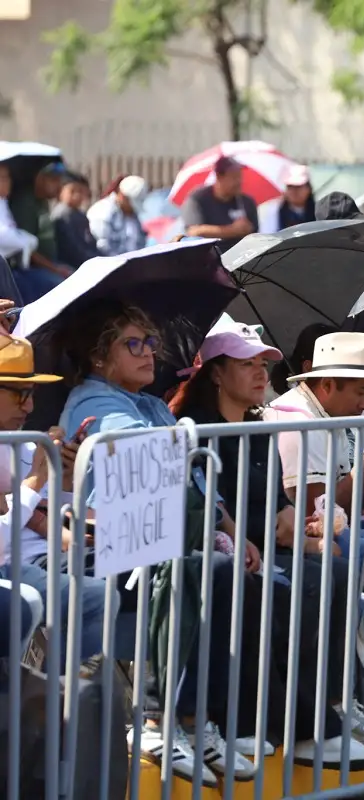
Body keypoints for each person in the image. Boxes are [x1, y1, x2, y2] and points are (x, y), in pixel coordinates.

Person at [56, 301, 266, 783]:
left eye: (151, 342)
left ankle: (196, 722)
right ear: (98, 355)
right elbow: (146, 457)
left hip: (159, 541)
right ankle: (157, 720)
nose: (149, 353)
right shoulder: (93, 400)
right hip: (107, 550)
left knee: (229, 570)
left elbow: (192, 479)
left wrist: (232, 530)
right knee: (206, 569)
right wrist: (187, 443)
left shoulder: (148, 402)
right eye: (133, 343)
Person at [168, 319, 364, 762]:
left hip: (266, 547)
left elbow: (282, 508)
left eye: (264, 362)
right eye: (248, 364)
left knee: (336, 571)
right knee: (297, 588)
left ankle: (329, 708)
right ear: (217, 373)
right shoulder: (195, 429)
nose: (262, 372)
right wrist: (282, 534)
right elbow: (218, 508)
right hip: (227, 554)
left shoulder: (259, 429)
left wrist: (305, 532)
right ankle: (292, 723)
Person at [0, 333, 107, 665]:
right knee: (96, 596)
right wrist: (34, 481)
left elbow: (58, 508)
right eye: (20, 394)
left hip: (45, 557)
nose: (30, 407)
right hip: (17, 566)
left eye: (32, 394)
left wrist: (67, 475)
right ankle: (53, 696)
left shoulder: (24, 443)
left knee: (160, 566)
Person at [266, 332, 364, 561]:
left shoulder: (329, 414)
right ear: (327, 384)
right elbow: (317, 518)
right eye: (362, 392)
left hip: (327, 539)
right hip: (298, 550)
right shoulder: (300, 424)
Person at [8, 161, 71, 300]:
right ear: (39, 178)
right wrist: (55, 269)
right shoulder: (25, 204)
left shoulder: (43, 201)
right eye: (53, 180)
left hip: (50, 265)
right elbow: (29, 251)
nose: (59, 185)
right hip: (29, 270)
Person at [180, 156, 258, 252]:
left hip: (241, 257)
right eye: (234, 177)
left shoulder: (246, 202)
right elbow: (193, 231)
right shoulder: (198, 199)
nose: (239, 181)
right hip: (209, 257)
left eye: (240, 176)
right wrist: (233, 230)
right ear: (219, 177)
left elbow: (256, 234)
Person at [88, 175, 148, 256]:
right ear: (123, 196)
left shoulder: (132, 215)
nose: (133, 209)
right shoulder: (102, 212)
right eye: (131, 203)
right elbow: (102, 247)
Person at [0, 162, 39, 272]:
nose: (8, 182)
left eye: (8, 177)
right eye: (2, 178)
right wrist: (25, 240)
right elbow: (3, 235)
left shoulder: (3, 202)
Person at [276, 165, 316, 231]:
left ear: (308, 188)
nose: (294, 191)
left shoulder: (318, 212)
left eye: (298, 186)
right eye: (290, 187)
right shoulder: (275, 213)